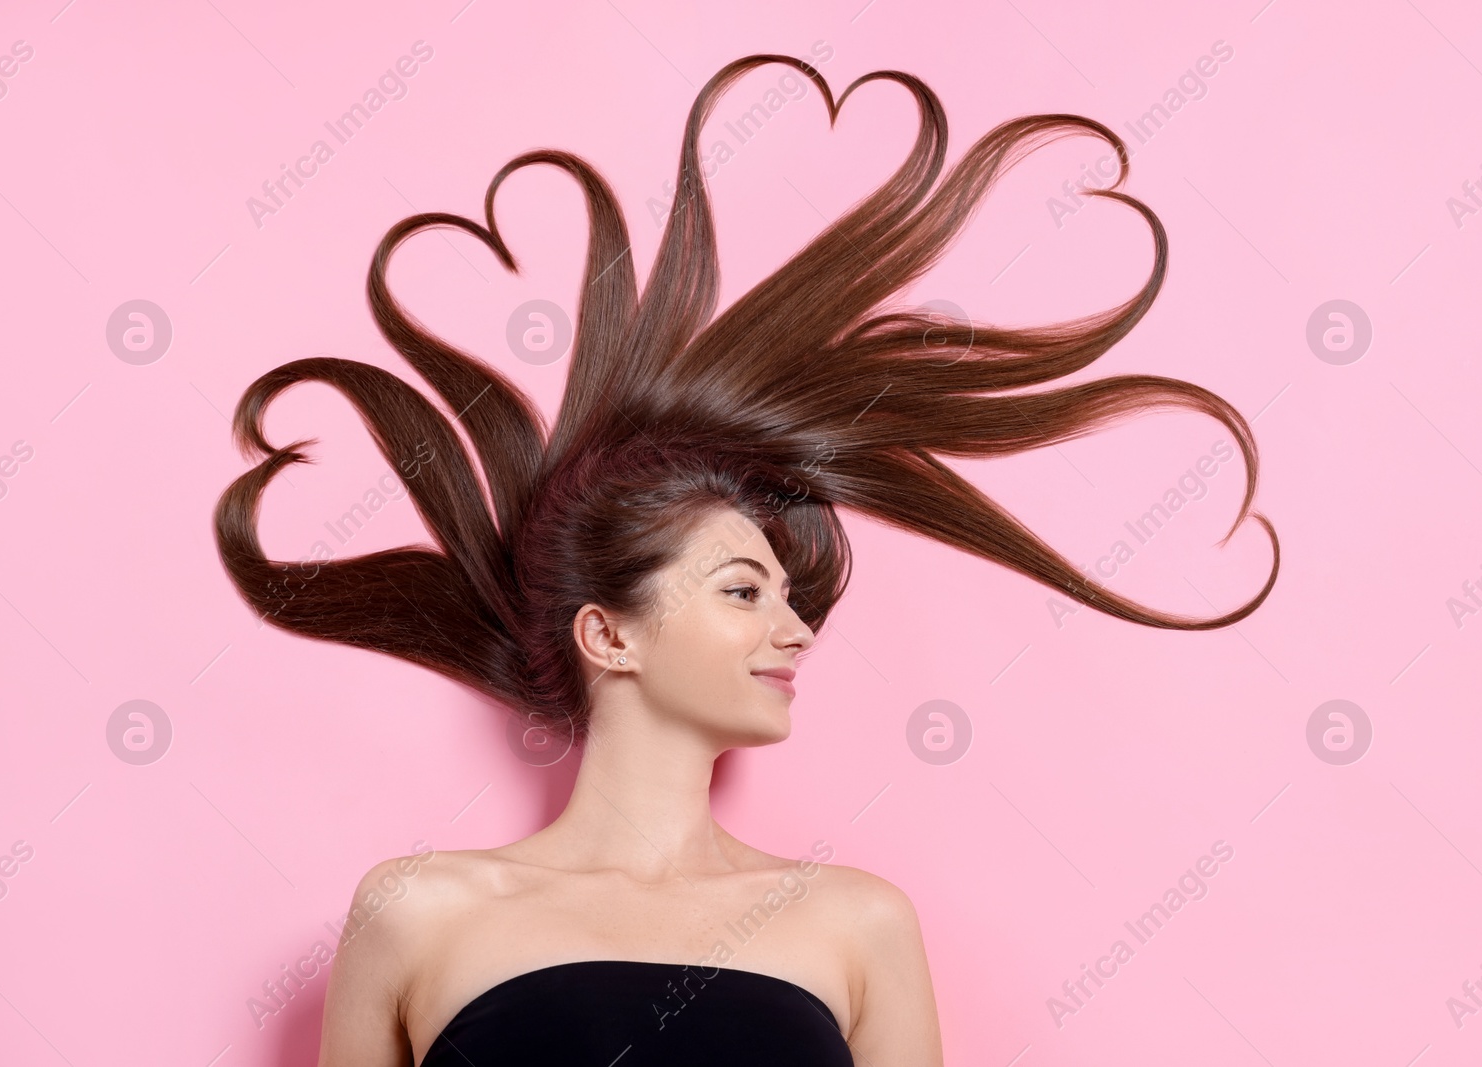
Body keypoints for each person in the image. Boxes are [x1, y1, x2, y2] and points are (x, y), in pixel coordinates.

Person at [213, 52, 1278, 1067]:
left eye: (788, 595)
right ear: (608, 631)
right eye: (741, 589)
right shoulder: (418, 909)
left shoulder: (855, 923)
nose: (796, 627)